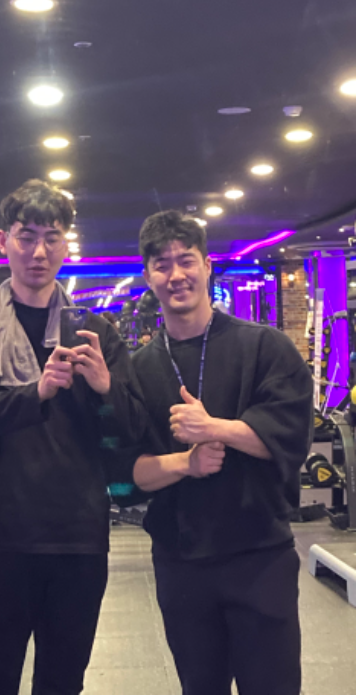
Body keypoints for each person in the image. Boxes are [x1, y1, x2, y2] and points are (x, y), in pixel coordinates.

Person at [0, 179, 145, 695]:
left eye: (51, 237)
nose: (38, 251)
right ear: (3, 241)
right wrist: (37, 391)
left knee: (62, 682)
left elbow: (129, 429)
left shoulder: (96, 331)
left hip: (77, 537)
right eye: (26, 236)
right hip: (0, 536)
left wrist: (105, 386)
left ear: (65, 244)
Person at [131, 211, 313, 695]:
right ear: (148, 276)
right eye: (162, 265)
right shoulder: (139, 370)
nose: (176, 275)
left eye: (186, 260)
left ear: (207, 265)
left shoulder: (266, 347)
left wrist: (217, 429)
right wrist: (187, 463)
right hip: (181, 561)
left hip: (260, 553)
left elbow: (292, 439)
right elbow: (130, 475)